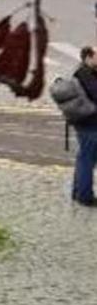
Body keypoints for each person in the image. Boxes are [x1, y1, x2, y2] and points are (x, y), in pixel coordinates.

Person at [71, 47, 97, 206]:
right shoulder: (84, 74)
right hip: (89, 124)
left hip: (87, 123)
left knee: (85, 158)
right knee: (87, 160)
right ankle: (85, 196)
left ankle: (77, 191)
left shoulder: (87, 72)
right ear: (88, 57)